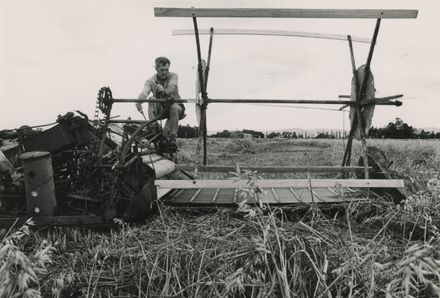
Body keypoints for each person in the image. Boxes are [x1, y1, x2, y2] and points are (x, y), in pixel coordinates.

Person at [136, 57, 185, 152]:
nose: (164, 72)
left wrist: (163, 91)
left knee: (173, 107)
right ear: (156, 69)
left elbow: (172, 88)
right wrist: (139, 101)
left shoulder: (173, 76)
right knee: (151, 99)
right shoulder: (151, 81)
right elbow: (144, 93)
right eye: (161, 70)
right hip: (162, 109)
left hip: (176, 109)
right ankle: (154, 130)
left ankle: (172, 139)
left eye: (166, 69)